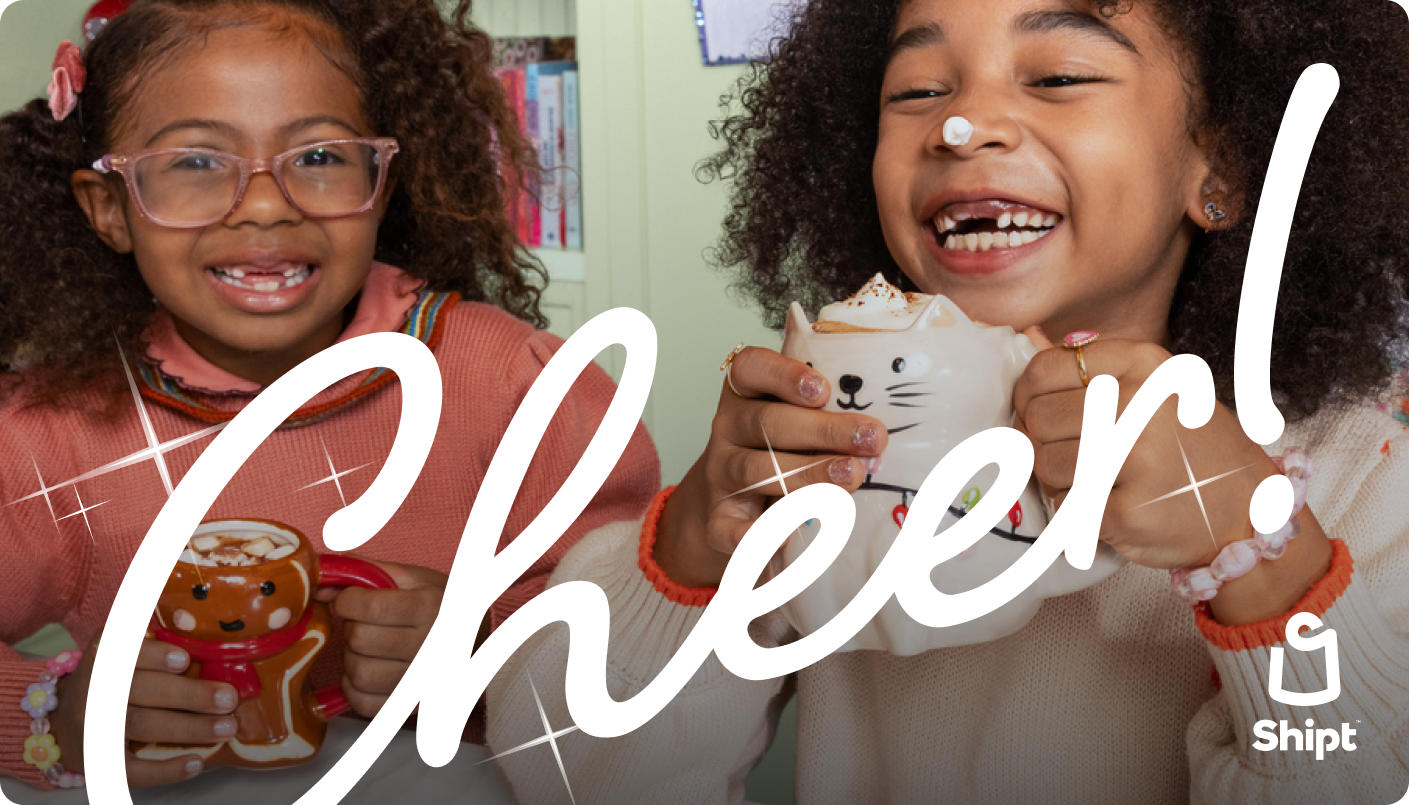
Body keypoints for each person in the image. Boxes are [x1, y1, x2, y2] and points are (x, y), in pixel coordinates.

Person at [487, 1, 1409, 802]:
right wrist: (694, 550)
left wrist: (1258, 557)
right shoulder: (835, 455)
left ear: (1221, 169)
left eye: (1055, 74)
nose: (962, 127)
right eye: (918, 90)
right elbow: (564, 773)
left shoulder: (1359, 478)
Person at [0, 0, 658, 791]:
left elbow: (645, 649)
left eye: (317, 156)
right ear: (110, 209)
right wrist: (52, 711)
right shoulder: (42, 437)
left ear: (381, 185)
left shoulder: (521, 385)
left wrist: (487, 650)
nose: (270, 203)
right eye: (197, 162)